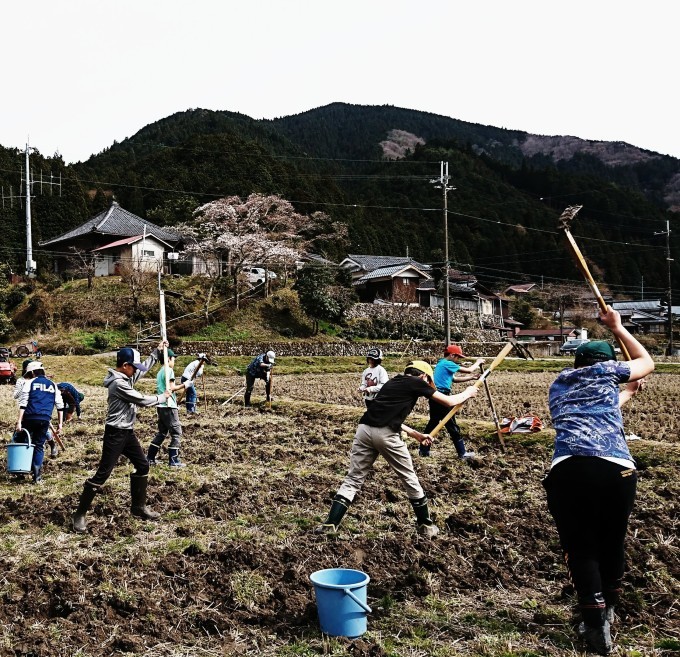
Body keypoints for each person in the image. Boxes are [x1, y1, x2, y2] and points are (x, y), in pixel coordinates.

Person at [543, 307, 654, 655]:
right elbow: (646, 361)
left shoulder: (559, 386)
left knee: (580, 548)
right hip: (615, 469)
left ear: (577, 363)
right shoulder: (607, 371)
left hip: (569, 469)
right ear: (608, 366)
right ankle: (611, 608)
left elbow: (604, 406)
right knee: (612, 542)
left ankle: (594, 624)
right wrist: (618, 328)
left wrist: (629, 391)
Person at [316, 360, 478, 538]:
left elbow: (388, 414)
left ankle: (330, 524)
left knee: (353, 479)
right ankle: (426, 526)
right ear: (424, 376)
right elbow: (448, 401)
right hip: (387, 434)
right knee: (409, 478)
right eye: (428, 381)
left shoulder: (392, 382)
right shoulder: (417, 382)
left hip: (364, 429)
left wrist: (416, 434)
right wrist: (468, 393)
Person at [71, 343, 172, 533]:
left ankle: (138, 507)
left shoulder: (127, 376)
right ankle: (79, 515)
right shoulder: (118, 384)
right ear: (125, 365)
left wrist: (156, 352)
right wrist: (162, 397)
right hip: (115, 434)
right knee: (103, 474)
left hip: (128, 433)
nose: (136, 371)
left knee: (143, 465)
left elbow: (143, 370)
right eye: (134, 367)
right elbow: (141, 400)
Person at [420, 344, 484, 458]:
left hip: (435, 396)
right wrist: (478, 362)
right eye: (457, 357)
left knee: (433, 423)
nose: (458, 360)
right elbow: (469, 370)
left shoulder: (441, 364)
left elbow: (454, 379)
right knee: (452, 425)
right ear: (452, 355)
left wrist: (472, 378)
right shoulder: (447, 363)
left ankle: (423, 450)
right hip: (442, 396)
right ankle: (462, 453)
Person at [15, 361, 64, 483]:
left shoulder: (29, 383)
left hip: (30, 418)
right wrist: (60, 423)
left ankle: (20, 471)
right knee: (39, 446)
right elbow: (60, 405)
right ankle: (37, 477)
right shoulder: (53, 384)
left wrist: (19, 422)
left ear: (32, 372)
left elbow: (23, 404)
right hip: (44, 419)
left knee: (21, 441)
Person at [147, 348, 192, 467]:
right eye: (173, 359)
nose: (174, 361)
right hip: (168, 405)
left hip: (161, 406)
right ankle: (173, 460)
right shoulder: (169, 370)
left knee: (162, 433)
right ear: (168, 359)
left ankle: (150, 458)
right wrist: (184, 385)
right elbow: (171, 388)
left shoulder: (160, 371)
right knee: (176, 432)